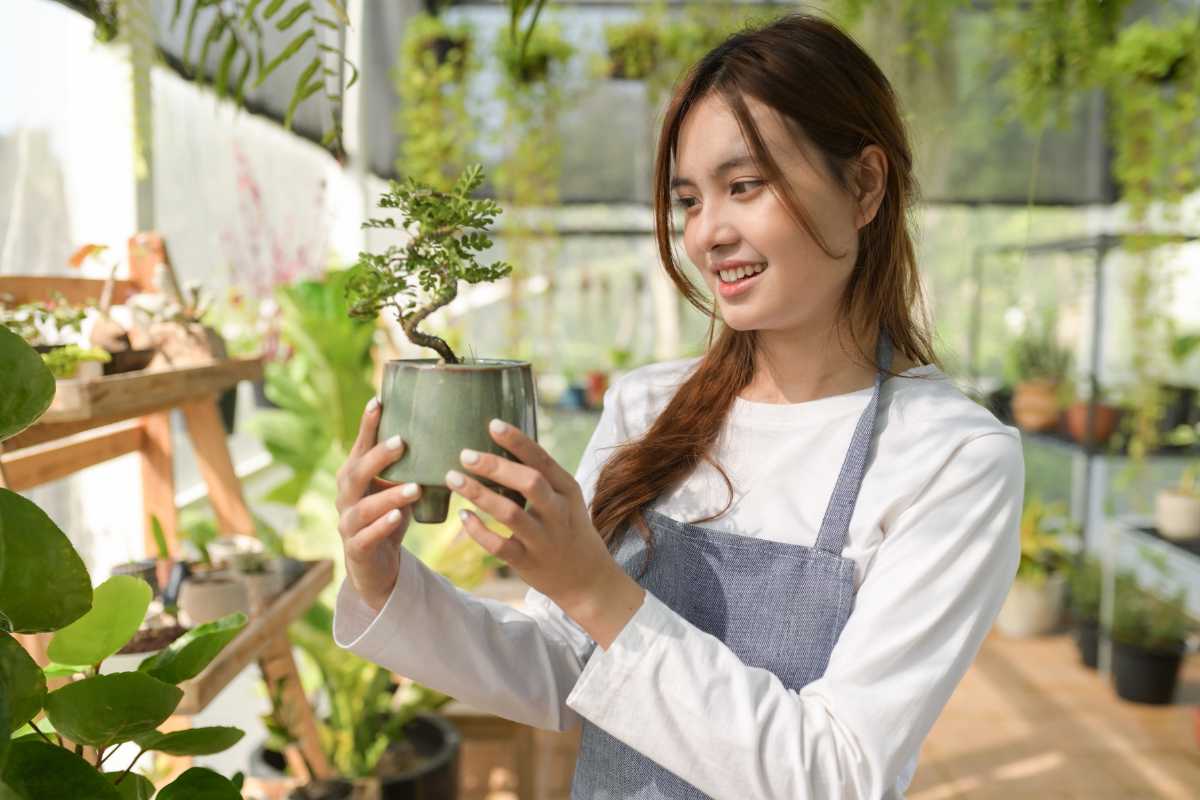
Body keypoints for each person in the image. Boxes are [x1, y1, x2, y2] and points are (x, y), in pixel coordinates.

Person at [332, 11, 1023, 799]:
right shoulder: (650, 405)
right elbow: (561, 665)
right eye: (690, 199)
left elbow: (840, 773)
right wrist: (387, 582)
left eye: (744, 186)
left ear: (864, 184)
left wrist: (598, 589)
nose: (706, 235)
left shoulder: (953, 459)